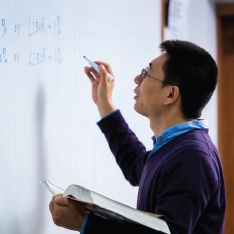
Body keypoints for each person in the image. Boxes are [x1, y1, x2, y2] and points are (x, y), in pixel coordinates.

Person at [49, 40, 226, 234]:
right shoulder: (178, 146)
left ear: (170, 94)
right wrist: (104, 103)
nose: (137, 79)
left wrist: (85, 223)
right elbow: (135, 166)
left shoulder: (193, 157)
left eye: (146, 73)